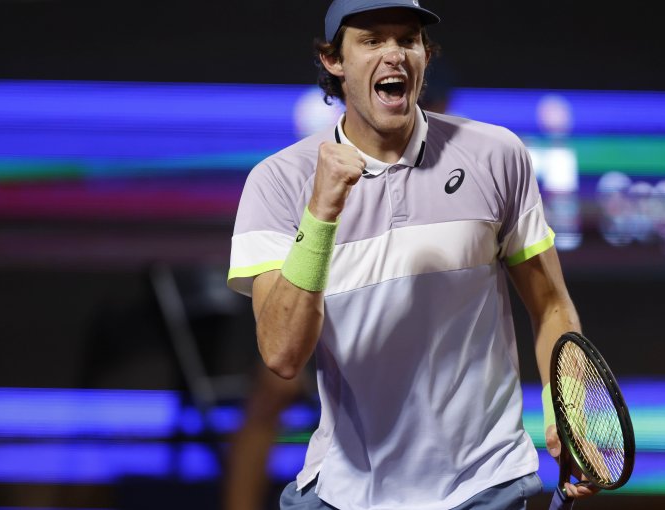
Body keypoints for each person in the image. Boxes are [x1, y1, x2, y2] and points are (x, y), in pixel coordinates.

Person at [227, 1, 598, 508]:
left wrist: (569, 411)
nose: (395, 54)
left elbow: (551, 305)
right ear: (333, 60)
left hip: (486, 483)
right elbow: (282, 356)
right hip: (344, 492)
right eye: (373, 40)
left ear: (426, 54)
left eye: (407, 39)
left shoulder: (497, 155)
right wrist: (321, 213)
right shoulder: (277, 182)